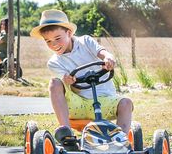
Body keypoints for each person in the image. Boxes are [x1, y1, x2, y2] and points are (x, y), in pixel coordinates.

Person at [30, 9, 133, 144]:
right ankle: (66, 133)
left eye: (57, 38)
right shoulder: (54, 62)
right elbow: (63, 78)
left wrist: (108, 58)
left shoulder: (85, 42)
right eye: (48, 41)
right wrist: (66, 79)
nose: (53, 45)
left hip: (104, 101)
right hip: (77, 104)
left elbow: (102, 52)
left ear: (69, 33)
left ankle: (120, 143)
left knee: (126, 103)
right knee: (54, 83)